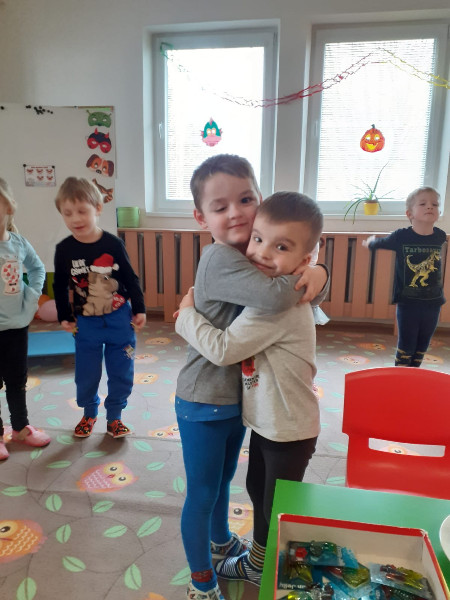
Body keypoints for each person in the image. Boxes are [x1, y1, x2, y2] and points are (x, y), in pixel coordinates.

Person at [174, 154, 329, 600]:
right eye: (220, 207)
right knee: (203, 493)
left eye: (245, 200)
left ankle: (222, 543)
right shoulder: (221, 259)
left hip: (239, 399)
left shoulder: (255, 252)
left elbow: (296, 283)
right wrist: (313, 269)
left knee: (224, 482)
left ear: (260, 199)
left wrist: (318, 271)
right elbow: (280, 297)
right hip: (204, 397)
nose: (236, 213)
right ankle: (201, 582)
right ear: (201, 218)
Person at [53, 177, 146, 438]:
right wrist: (64, 315)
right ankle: (89, 413)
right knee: (86, 373)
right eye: (67, 213)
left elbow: (130, 278)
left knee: (121, 369)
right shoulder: (64, 249)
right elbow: (59, 285)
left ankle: (115, 417)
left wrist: (139, 308)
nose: (75, 218)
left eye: (82, 211)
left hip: (119, 319)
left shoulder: (113, 244)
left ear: (97, 208)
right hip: (86, 323)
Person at [363, 186, 446, 367]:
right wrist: (371, 243)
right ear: (410, 213)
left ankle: (413, 373)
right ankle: (400, 374)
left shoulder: (440, 236)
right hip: (408, 302)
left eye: (435, 204)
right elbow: (383, 243)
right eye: (423, 204)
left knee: (422, 344)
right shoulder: (401, 236)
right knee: (407, 344)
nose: (430, 207)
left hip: (433, 302)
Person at [0, 177, 51, 460]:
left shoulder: (18, 244)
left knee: (17, 380)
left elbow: (37, 268)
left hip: (16, 326)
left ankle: (20, 427)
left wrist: (31, 299)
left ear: (8, 207)